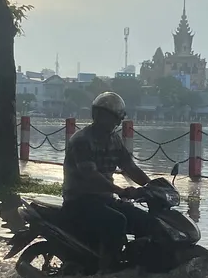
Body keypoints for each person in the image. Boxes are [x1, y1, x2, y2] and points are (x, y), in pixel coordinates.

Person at [62, 92, 159, 266]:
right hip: (79, 200)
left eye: (114, 117)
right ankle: (107, 268)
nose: (113, 121)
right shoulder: (82, 140)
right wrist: (119, 190)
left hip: (104, 200)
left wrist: (152, 186)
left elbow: (129, 167)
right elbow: (90, 176)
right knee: (117, 221)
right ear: (96, 115)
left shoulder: (114, 140)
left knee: (144, 220)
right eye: (107, 116)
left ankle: (140, 262)